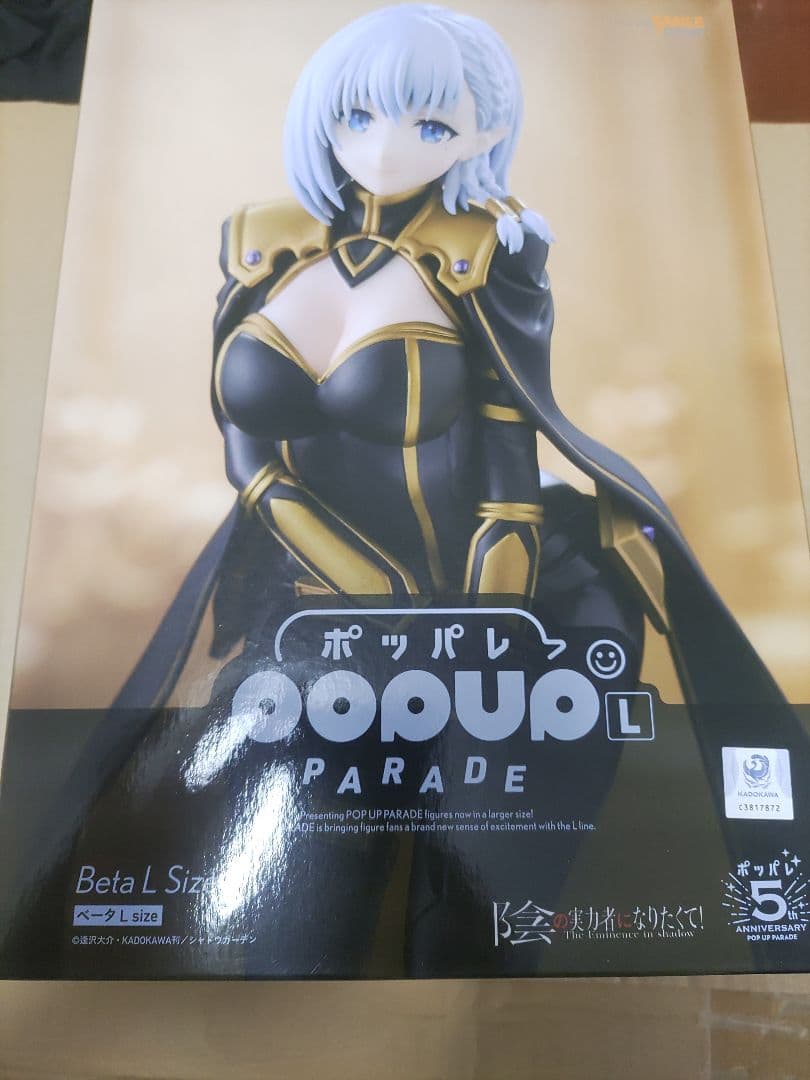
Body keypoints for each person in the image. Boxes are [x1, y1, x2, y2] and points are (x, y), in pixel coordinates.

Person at [117, 1, 783, 711]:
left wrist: (483, 633)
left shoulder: (488, 249)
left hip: (484, 593)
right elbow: (245, 449)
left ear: (485, 132)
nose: (383, 150)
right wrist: (366, 580)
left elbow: (508, 476)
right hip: (306, 591)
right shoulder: (261, 239)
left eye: (431, 126)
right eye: (357, 115)